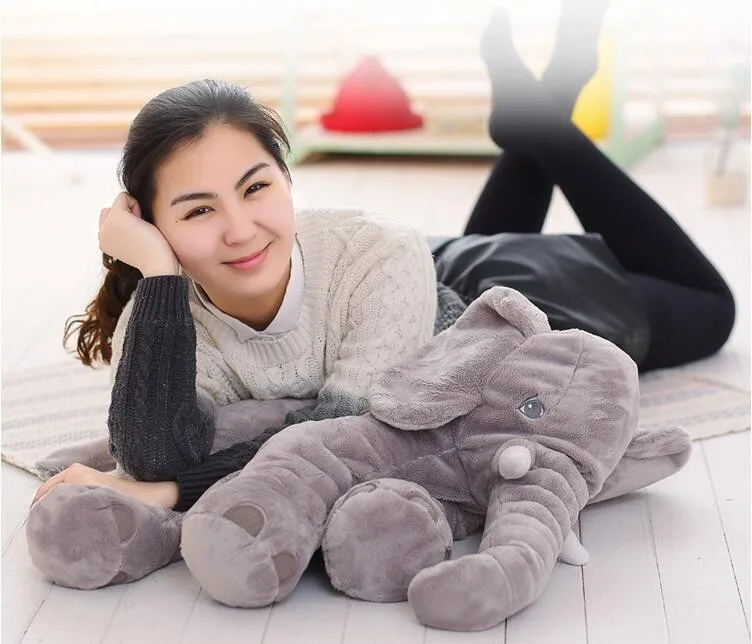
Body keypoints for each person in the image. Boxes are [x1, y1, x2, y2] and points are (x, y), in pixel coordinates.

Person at [32, 2, 734, 514]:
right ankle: (542, 103)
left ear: (288, 179)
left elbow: (349, 439)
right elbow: (150, 450)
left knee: (712, 308)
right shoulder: (161, 314)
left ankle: (546, 119)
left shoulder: (372, 252)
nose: (240, 230)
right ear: (150, 225)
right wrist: (156, 274)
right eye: (197, 211)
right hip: (425, 296)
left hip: (492, 313)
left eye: (256, 188)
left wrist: (167, 494)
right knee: (437, 287)